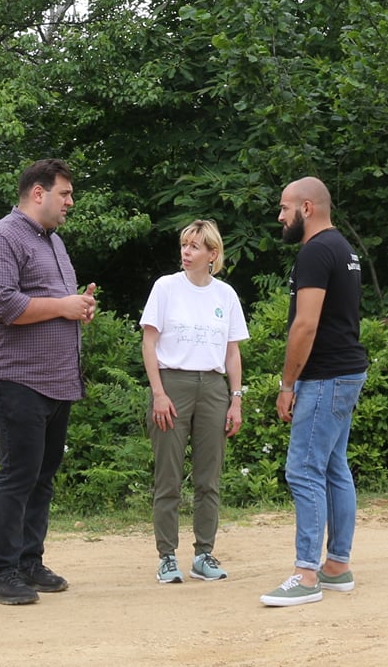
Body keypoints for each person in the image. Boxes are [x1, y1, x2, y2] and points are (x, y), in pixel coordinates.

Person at [0, 158, 98, 605]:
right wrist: (63, 306)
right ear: (38, 193)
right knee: (19, 474)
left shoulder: (54, 242)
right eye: (65, 193)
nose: (70, 202)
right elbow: (2, 304)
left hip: (57, 381)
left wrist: (78, 306)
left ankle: (28, 562)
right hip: (17, 378)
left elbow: (53, 304)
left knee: (42, 476)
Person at [259, 176, 370, 608]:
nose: (280, 216)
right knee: (333, 467)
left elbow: (305, 325)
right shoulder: (343, 249)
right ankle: (337, 567)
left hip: (325, 375)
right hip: (346, 372)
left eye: (284, 208)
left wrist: (288, 384)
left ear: (307, 208)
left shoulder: (315, 251)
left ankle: (306, 574)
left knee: (303, 469)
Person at [140, 219, 249, 585]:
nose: (186, 252)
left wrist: (235, 399)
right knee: (168, 477)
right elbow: (149, 342)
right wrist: (158, 393)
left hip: (214, 387)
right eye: (184, 245)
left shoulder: (225, 295)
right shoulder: (166, 287)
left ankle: (204, 554)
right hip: (173, 384)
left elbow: (232, 352)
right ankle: (167, 556)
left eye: (195, 246)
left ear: (212, 254)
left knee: (208, 478)